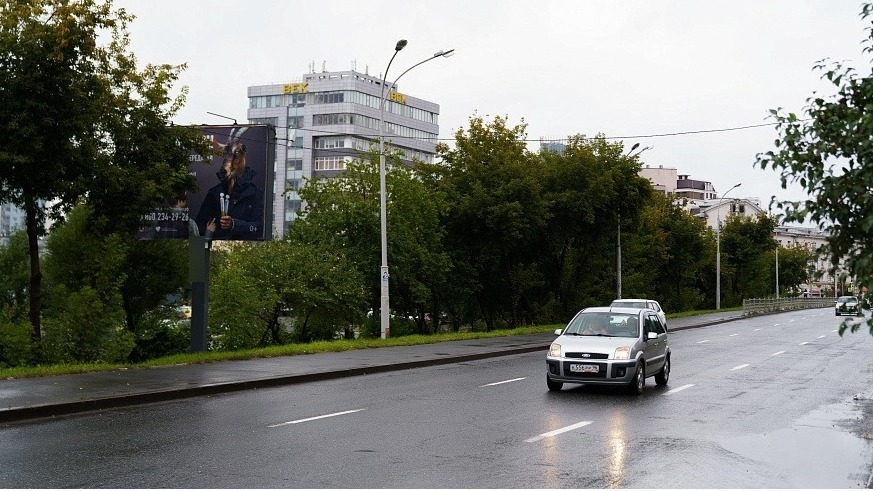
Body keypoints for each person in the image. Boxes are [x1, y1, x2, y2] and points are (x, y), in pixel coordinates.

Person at [194, 126, 264, 240]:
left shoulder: (254, 193)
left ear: (242, 159)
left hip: (246, 251)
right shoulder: (215, 193)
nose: (228, 162)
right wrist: (211, 232)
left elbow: (259, 228)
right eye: (227, 157)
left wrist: (234, 224)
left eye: (234, 157)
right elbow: (198, 227)